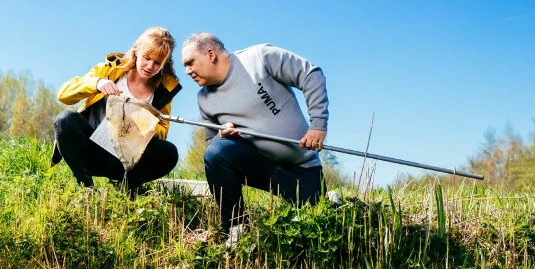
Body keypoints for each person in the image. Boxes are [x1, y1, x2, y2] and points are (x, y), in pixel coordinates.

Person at [181, 33, 329, 246]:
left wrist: (318, 125)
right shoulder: (204, 99)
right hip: (260, 167)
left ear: (210, 54)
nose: (188, 71)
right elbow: (211, 148)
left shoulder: (259, 57)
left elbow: (311, 74)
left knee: (316, 216)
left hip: (301, 170)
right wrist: (222, 136)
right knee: (217, 153)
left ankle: (328, 198)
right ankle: (236, 227)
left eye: (190, 63)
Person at [52, 27, 182, 195]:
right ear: (136, 51)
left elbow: (163, 130)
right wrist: (97, 84)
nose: (150, 66)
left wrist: (144, 124)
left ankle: (126, 188)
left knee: (169, 152)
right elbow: (63, 95)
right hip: (92, 149)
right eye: (147, 58)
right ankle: (86, 188)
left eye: (157, 63)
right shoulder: (109, 69)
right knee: (65, 119)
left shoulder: (164, 89)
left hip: (128, 158)